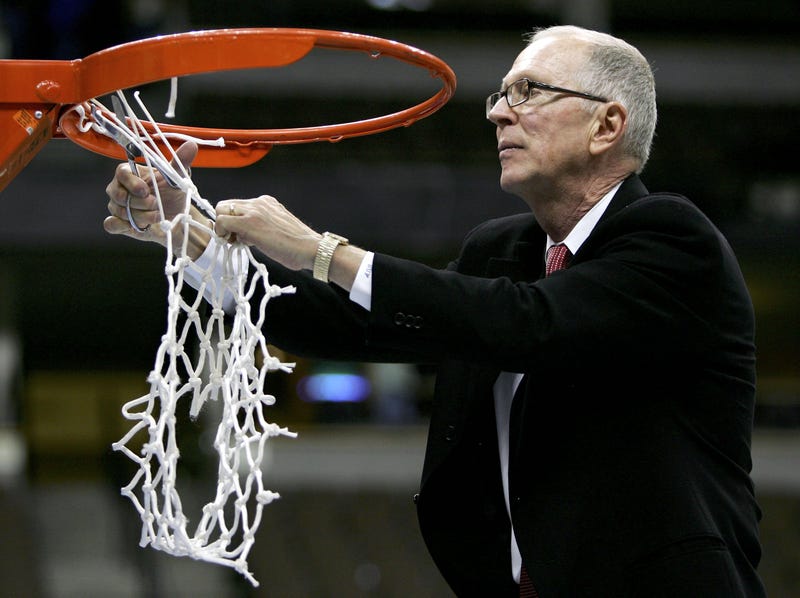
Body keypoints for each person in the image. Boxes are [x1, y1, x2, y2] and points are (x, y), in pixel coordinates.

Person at [105, 25, 766, 597]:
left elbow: (529, 324)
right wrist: (180, 232)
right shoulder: (500, 249)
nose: (499, 113)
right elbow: (353, 320)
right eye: (501, 94)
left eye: (529, 92)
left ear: (608, 125)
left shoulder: (672, 240)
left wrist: (318, 248)